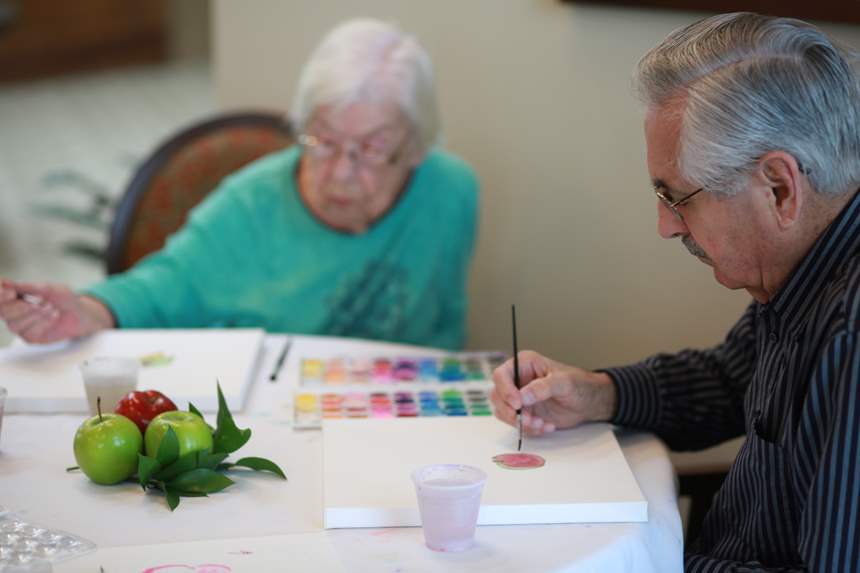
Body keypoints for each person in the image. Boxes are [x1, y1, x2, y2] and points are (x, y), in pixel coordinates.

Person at [491, 12, 860, 572]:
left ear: (779, 188)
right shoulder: (801, 272)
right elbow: (733, 380)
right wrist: (597, 394)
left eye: (676, 196)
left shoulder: (850, 333)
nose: (667, 226)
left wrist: (643, 564)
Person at [0, 18, 478, 350]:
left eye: (372, 150)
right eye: (324, 141)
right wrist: (85, 310)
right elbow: (165, 286)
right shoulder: (251, 204)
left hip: (401, 416)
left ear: (416, 145)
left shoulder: (452, 190)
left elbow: (446, 329)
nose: (340, 172)